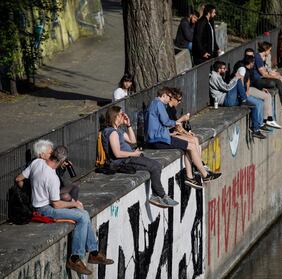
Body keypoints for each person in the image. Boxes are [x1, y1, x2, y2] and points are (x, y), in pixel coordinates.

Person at [15, 146, 114, 275]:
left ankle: (94, 252)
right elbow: (56, 205)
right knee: (82, 216)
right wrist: (73, 203)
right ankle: (74, 258)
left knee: (84, 214)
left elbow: (19, 179)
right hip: (45, 210)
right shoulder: (52, 178)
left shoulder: (37, 162)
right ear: (62, 162)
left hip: (37, 205)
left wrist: (28, 194)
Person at [102, 105, 179, 207]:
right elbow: (117, 153)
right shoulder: (112, 133)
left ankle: (158, 195)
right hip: (123, 162)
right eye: (121, 114)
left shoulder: (118, 131)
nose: (124, 116)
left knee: (155, 164)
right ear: (115, 116)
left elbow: (132, 140)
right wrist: (133, 154)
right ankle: (160, 195)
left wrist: (128, 125)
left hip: (129, 158)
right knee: (155, 166)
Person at [145, 87, 221, 188]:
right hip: (159, 139)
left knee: (190, 145)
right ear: (164, 95)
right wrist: (180, 120)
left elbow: (159, 125)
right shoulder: (159, 104)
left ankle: (192, 175)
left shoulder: (153, 103)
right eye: (169, 97)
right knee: (191, 146)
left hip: (159, 137)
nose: (169, 100)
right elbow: (166, 122)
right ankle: (204, 174)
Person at [209, 61, 266, 139]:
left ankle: (255, 129)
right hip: (225, 100)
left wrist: (235, 79)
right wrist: (235, 78)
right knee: (238, 80)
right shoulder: (214, 77)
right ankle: (244, 99)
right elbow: (227, 88)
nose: (225, 70)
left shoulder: (218, 76)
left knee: (254, 106)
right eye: (224, 68)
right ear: (219, 69)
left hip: (228, 99)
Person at [234, 55, 282, 129]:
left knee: (267, 95)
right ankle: (264, 121)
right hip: (245, 91)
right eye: (253, 63)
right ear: (250, 63)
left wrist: (261, 89)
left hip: (250, 88)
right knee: (261, 102)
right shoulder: (243, 69)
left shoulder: (249, 69)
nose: (254, 64)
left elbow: (249, 81)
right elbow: (241, 82)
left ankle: (267, 120)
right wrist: (245, 92)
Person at [250, 42, 282, 110]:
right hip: (256, 81)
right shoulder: (258, 57)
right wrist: (275, 77)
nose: (270, 52)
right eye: (270, 50)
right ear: (265, 49)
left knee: (279, 82)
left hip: (260, 79)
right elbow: (264, 74)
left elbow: (265, 72)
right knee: (276, 82)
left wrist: (273, 74)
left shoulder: (260, 57)